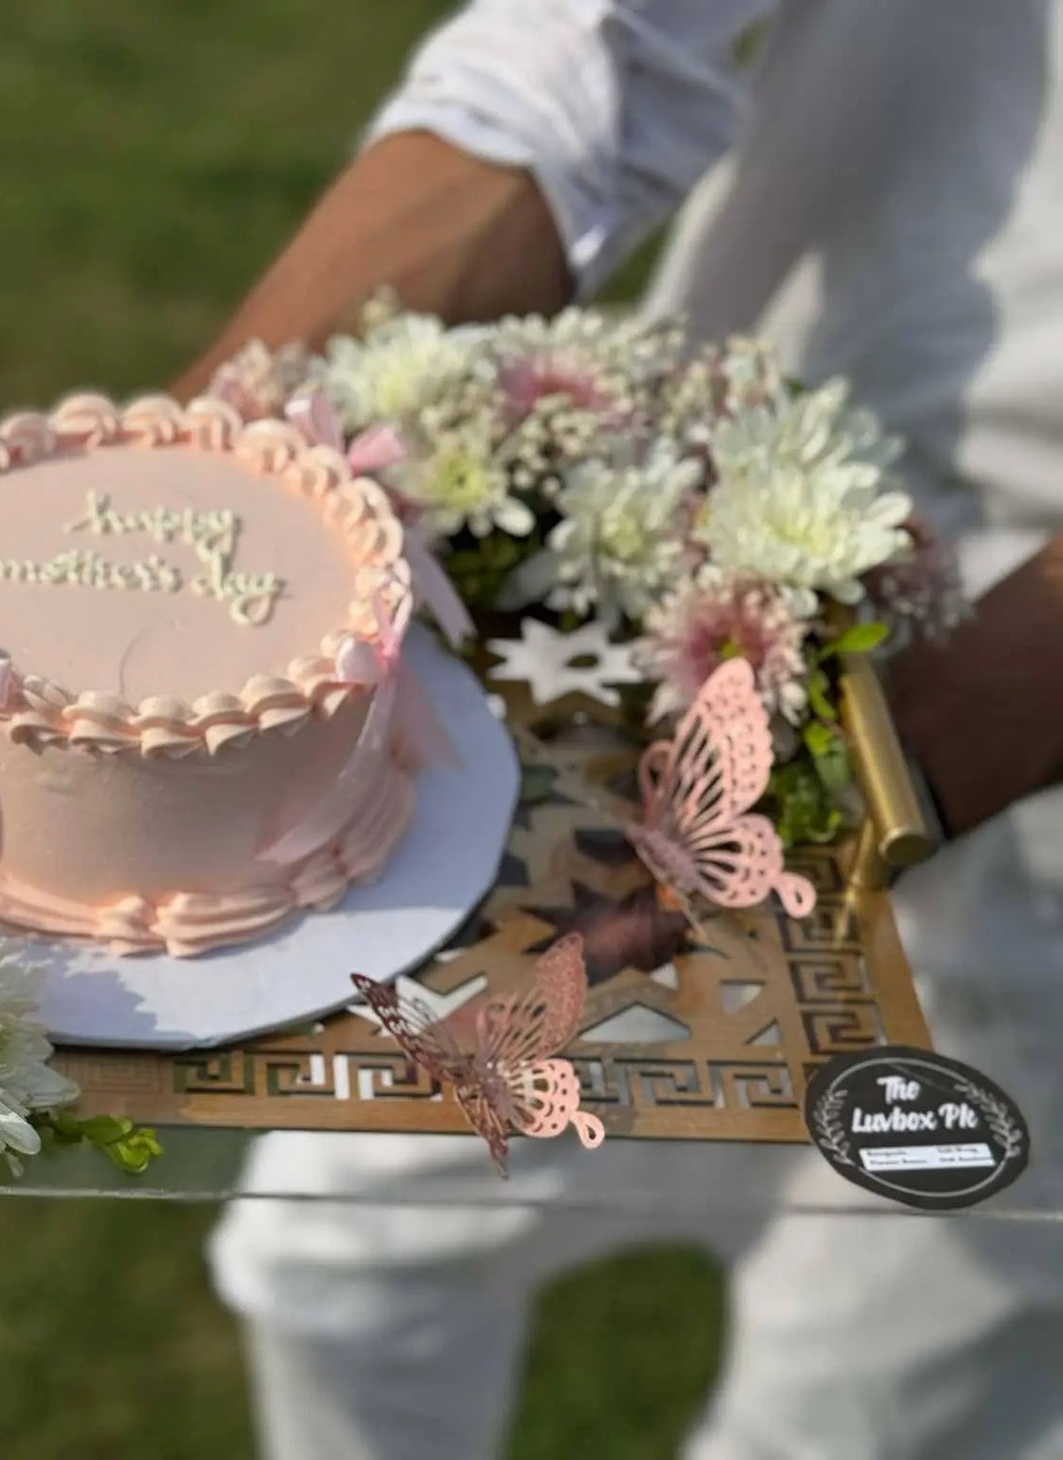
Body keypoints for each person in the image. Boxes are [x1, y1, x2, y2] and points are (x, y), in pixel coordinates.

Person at [187, 4, 1063, 1456]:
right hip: (666, 610)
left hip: (1025, 894)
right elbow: (590, 38)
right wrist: (188, 486)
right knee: (336, 1264)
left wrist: (807, 809)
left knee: (854, 1421)